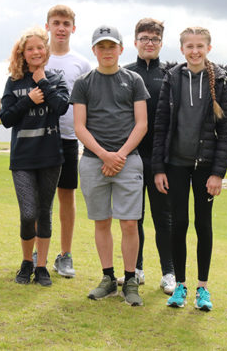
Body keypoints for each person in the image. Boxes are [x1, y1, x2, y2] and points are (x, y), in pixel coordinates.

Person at [153, 26, 227, 311]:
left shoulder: (221, 82)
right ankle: (181, 286)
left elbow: (226, 133)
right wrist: (158, 168)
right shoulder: (172, 78)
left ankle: (202, 288)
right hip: (175, 164)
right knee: (179, 224)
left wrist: (218, 173)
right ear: (182, 49)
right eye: (189, 46)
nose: (195, 51)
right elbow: (161, 125)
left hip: (205, 167)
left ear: (208, 48)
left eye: (200, 46)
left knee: (203, 224)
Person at [72, 25, 149, 306]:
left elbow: (141, 123)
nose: (107, 51)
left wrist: (120, 155)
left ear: (121, 48)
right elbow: (79, 126)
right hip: (94, 161)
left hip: (128, 160)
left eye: (111, 46)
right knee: (101, 221)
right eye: (101, 47)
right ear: (94, 50)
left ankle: (130, 280)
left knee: (129, 223)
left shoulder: (134, 80)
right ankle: (108, 278)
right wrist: (105, 155)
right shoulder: (84, 83)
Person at [0, 27, 70, 287]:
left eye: (40, 47)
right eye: (30, 48)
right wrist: (28, 100)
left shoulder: (55, 79)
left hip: (50, 157)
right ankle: (26, 261)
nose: (36, 52)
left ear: (46, 50)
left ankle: (41, 266)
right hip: (22, 159)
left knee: (45, 212)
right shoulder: (14, 81)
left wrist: (42, 81)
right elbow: (6, 119)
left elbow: (62, 107)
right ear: (23, 53)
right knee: (28, 213)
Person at [121, 18, 176, 294]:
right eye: (144, 38)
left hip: (162, 160)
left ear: (161, 43)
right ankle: (138, 268)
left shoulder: (172, 73)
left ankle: (169, 272)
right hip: (132, 156)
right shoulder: (124, 73)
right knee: (134, 216)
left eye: (154, 39)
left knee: (163, 216)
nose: (149, 43)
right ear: (135, 42)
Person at [42, 4, 91, 278]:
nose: (61, 28)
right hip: (41, 137)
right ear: (47, 25)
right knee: (41, 198)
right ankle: (39, 252)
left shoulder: (81, 63)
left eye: (66, 23)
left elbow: (87, 104)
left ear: (73, 28)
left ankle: (65, 255)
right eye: (56, 22)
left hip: (69, 138)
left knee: (66, 196)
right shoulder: (38, 55)